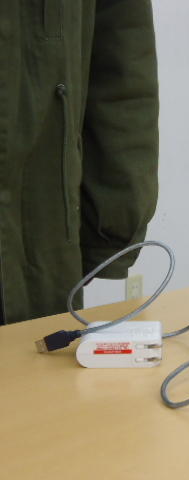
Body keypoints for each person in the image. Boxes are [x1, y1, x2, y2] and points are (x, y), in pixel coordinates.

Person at [0, 1, 159, 323]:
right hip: (33, 240)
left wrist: (111, 224)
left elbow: (123, 58)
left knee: (32, 345)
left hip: (33, 240)